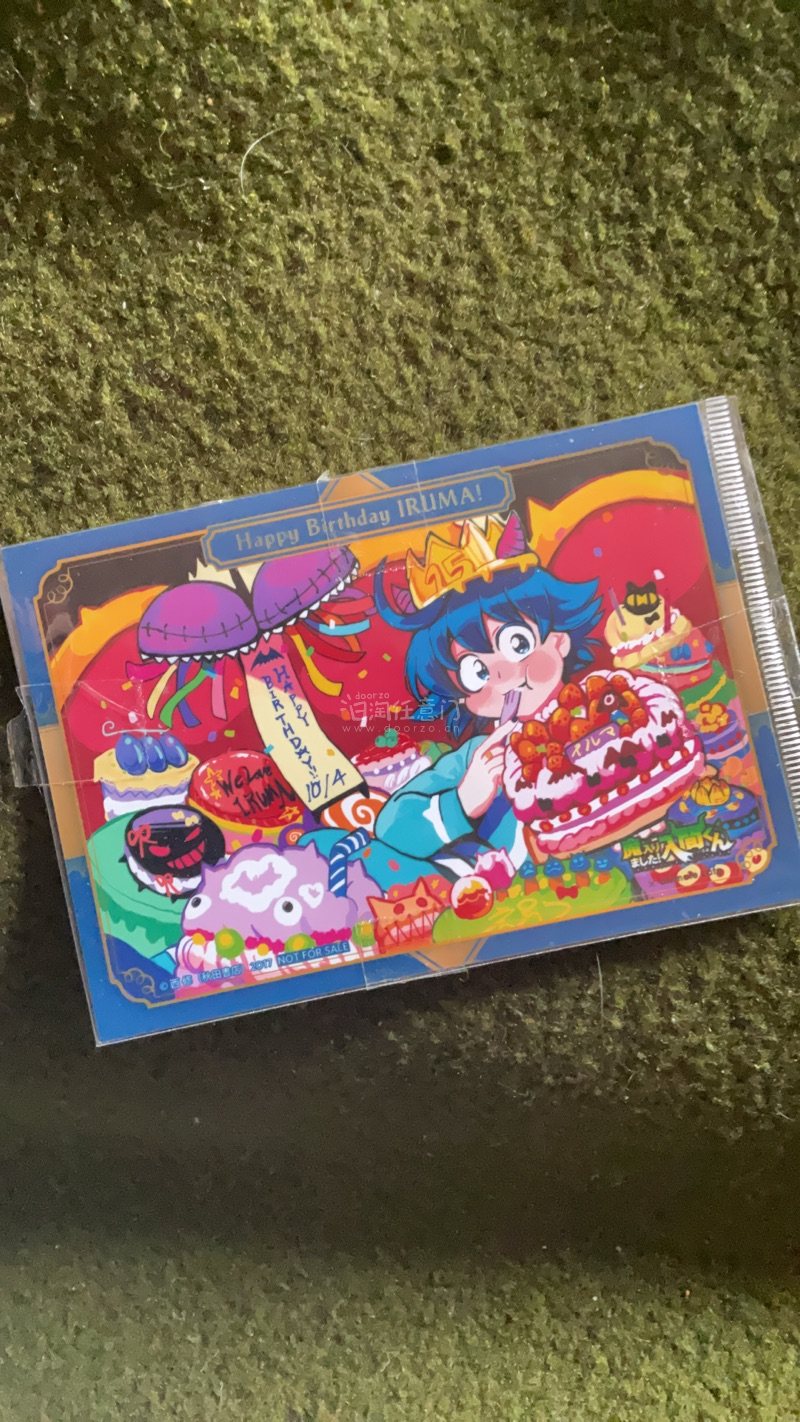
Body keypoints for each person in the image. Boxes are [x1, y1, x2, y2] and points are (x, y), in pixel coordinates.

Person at [373, 513, 601, 878]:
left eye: (517, 644)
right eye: (476, 671)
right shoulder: (481, 757)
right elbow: (392, 826)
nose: (502, 675)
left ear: (558, 641)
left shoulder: (602, 707)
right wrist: (463, 801)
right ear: (463, 695)